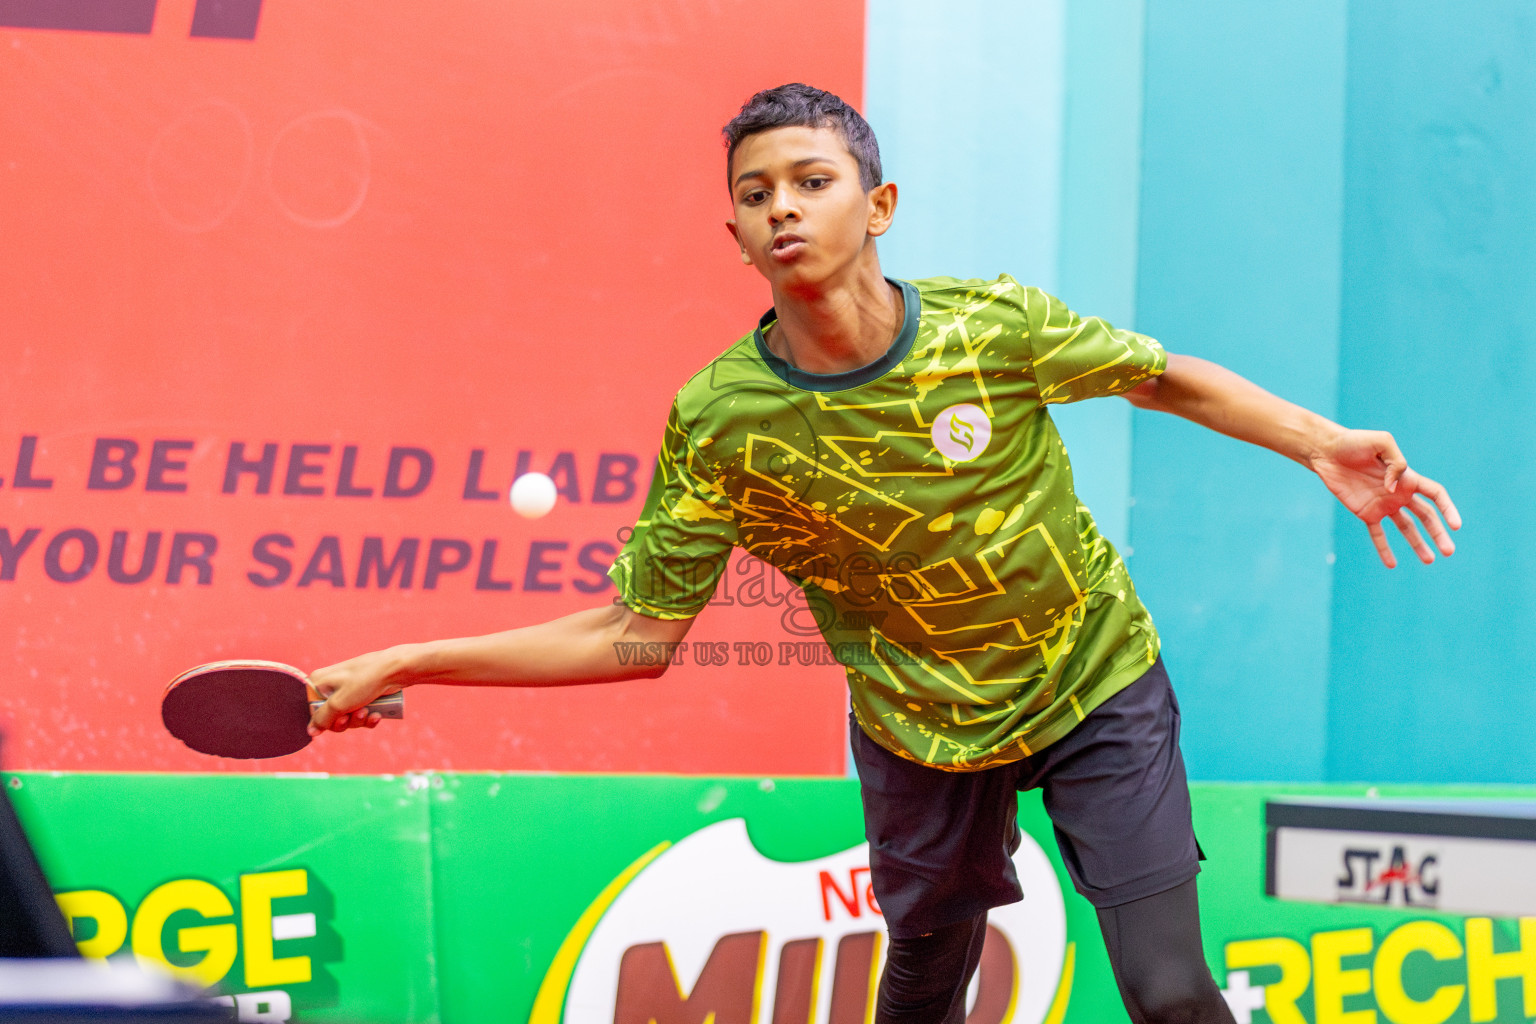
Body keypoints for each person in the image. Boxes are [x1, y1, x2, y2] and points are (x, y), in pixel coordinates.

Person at [307, 84, 1461, 1024]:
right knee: (920, 994)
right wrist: (412, 658)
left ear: (880, 202)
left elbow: (1161, 377)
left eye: (813, 181)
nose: (784, 209)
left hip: (1093, 680)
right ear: (736, 235)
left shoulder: (985, 327)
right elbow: (636, 636)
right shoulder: (722, 420)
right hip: (920, 728)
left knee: (1169, 994)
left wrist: (1320, 442)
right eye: (756, 195)